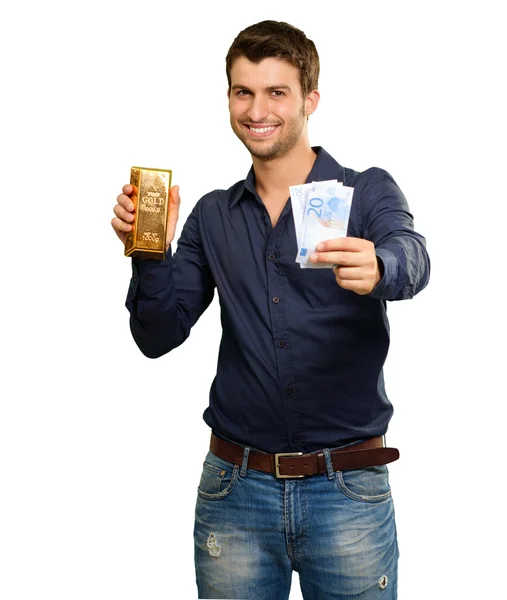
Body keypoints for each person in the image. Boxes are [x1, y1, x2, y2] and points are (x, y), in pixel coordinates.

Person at [111, 20, 430, 600]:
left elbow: (413, 254)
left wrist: (383, 266)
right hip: (234, 492)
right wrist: (148, 251)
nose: (257, 109)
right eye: (243, 92)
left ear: (310, 99)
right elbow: (157, 335)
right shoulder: (212, 216)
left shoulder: (366, 192)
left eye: (276, 92)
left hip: (348, 490)